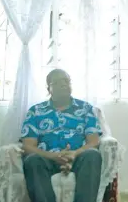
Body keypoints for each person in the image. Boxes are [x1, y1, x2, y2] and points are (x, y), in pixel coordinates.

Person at [21, 69, 103, 202]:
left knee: (93, 155)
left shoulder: (85, 108)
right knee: (32, 161)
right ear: (49, 88)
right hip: (47, 159)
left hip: (78, 157)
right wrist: (53, 156)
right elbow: (28, 146)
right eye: (58, 82)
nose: (64, 84)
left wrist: (74, 153)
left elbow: (94, 141)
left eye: (66, 81)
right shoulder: (36, 111)